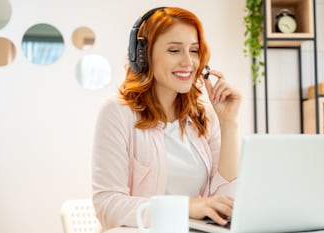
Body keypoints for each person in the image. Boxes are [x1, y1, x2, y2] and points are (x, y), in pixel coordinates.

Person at [92, 6, 241, 231]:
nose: (188, 62)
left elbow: (225, 204)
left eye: (194, 50)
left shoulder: (204, 116)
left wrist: (228, 124)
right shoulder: (117, 112)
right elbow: (107, 205)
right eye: (174, 50)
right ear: (143, 56)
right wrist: (186, 207)